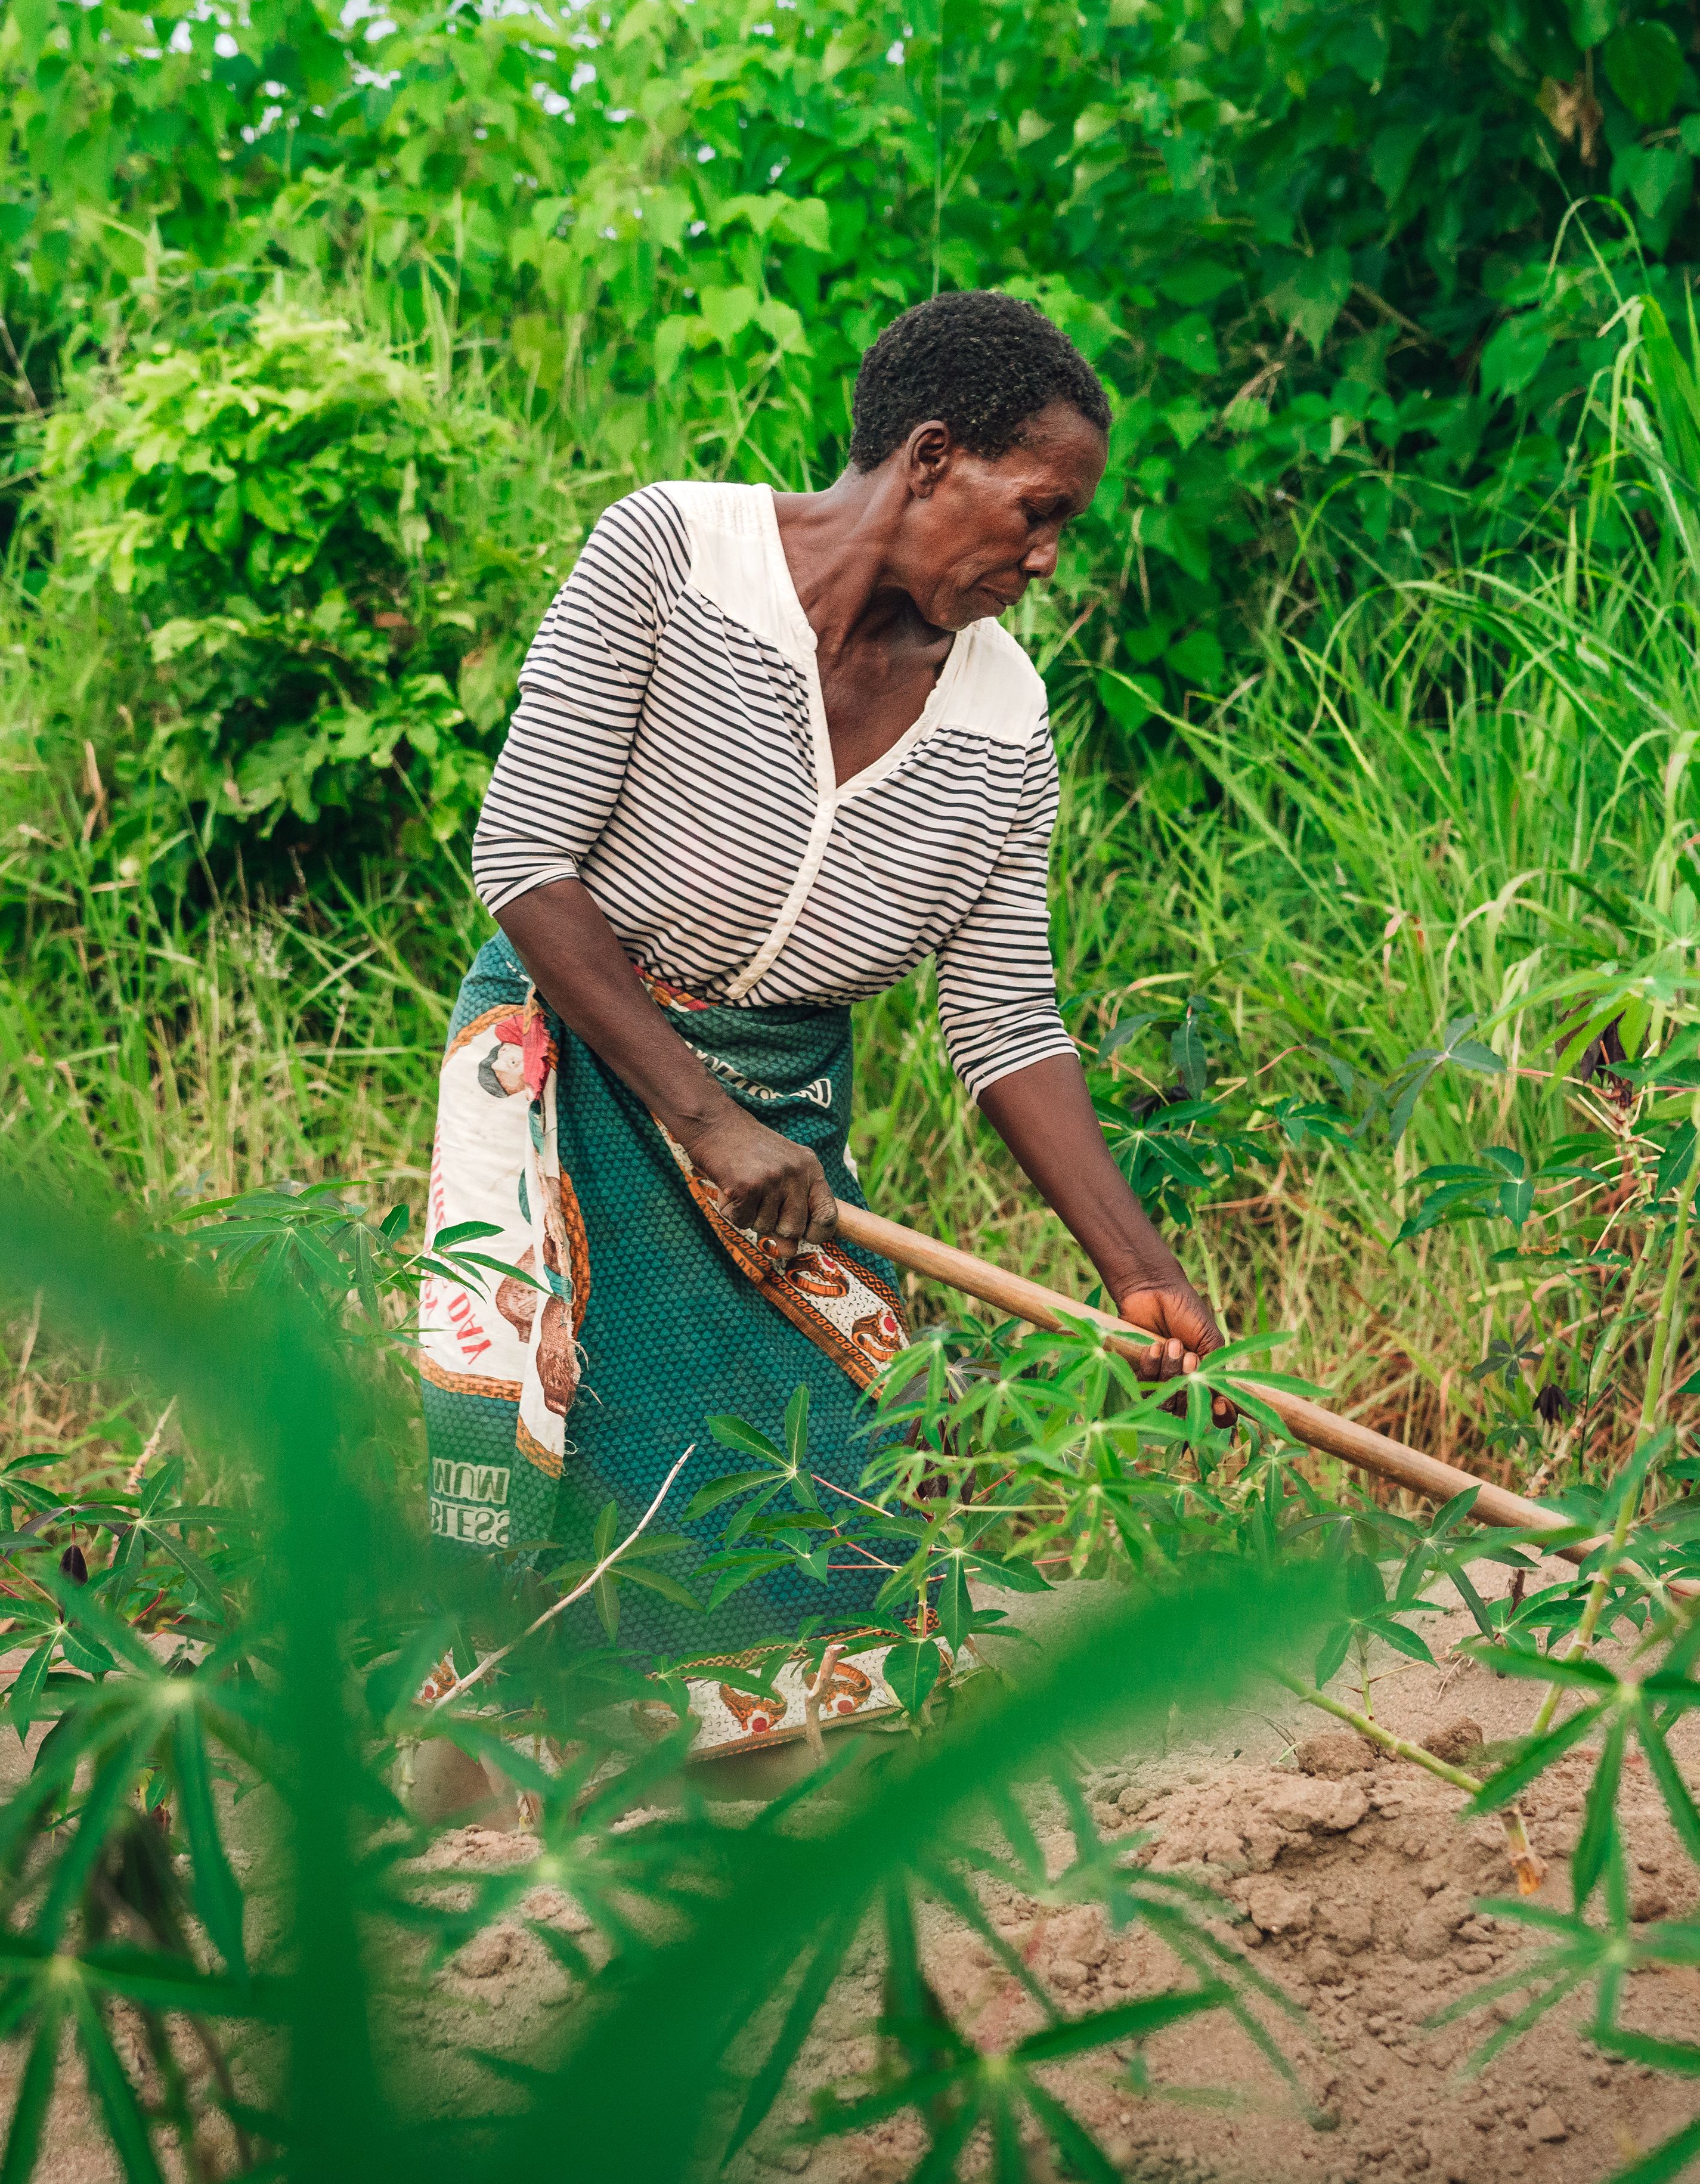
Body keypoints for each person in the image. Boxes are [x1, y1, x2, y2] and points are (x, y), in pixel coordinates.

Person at [416, 291, 1222, 1758]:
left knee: (809, 1477)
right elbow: (526, 855)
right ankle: (499, 1793)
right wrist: (701, 1116)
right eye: (1034, 512)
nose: (1045, 560)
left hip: (779, 1139)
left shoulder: (1002, 713)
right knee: (582, 1462)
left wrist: (1138, 1268)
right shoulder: (671, 553)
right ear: (926, 459)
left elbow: (1004, 1018)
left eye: (1063, 530)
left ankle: (750, 1786)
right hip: (577, 1075)